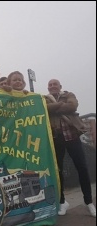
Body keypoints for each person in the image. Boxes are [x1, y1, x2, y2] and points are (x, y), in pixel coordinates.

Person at [44, 79, 96, 217]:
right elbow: (45, 109)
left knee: (82, 168)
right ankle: (62, 202)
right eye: (50, 85)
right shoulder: (44, 99)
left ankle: (89, 201)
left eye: (55, 84)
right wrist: (62, 105)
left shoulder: (69, 94)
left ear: (60, 86)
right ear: (48, 88)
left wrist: (56, 106)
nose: (52, 86)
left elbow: (73, 106)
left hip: (73, 135)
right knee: (58, 170)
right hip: (57, 137)